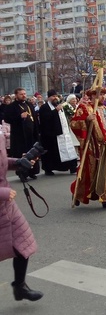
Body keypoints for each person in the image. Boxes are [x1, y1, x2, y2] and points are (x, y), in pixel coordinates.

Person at [0, 128, 44, 302]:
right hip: (3, 197)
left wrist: (19, 162)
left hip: (6, 206)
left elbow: (2, 162)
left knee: (22, 244)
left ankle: (20, 286)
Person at [69, 87, 106, 209]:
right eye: (100, 95)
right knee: (89, 173)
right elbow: (73, 123)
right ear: (92, 96)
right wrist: (86, 120)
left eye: (104, 95)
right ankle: (77, 193)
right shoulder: (84, 108)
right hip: (92, 145)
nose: (103, 97)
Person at [3, 88, 40, 180]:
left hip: (31, 135)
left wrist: (37, 131)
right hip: (20, 136)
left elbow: (34, 119)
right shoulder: (11, 106)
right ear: (16, 95)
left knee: (33, 154)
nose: (23, 95)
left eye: (24, 94)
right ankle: (22, 174)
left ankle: (32, 172)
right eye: (21, 94)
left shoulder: (29, 104)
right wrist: (19, 117)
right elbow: (7, 119)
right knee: (22, 155)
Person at [38, 89, 78, 176]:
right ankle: (48, 169)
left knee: (68, 150)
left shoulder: (61, 106)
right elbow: (45, 119)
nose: (55, 98)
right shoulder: (44, 108)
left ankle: (72, 167)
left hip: (63, 133)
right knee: (52, 153)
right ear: (48, 98)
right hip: (51, 135)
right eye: (53, 96)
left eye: (56, 96)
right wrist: (55, 110)